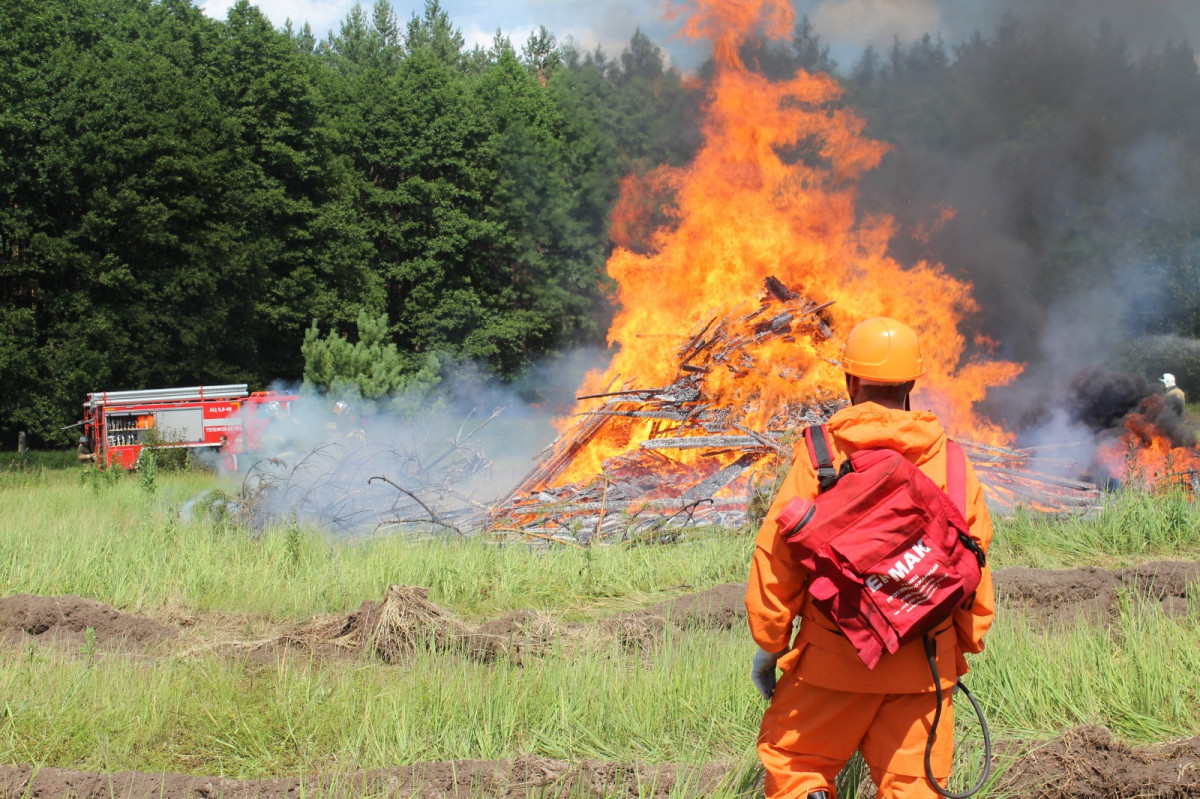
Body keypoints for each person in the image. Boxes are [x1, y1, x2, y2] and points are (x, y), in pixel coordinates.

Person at [746, 316, 996, 799]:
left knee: (797, 769)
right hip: (925, 664)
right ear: (912, 382)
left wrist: (771, 644)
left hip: (831, 663)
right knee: (916, 788)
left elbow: (778, 558)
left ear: (849, 380)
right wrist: (956, 647)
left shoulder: (820, 453)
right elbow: (975, 563)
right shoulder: (954, 462)